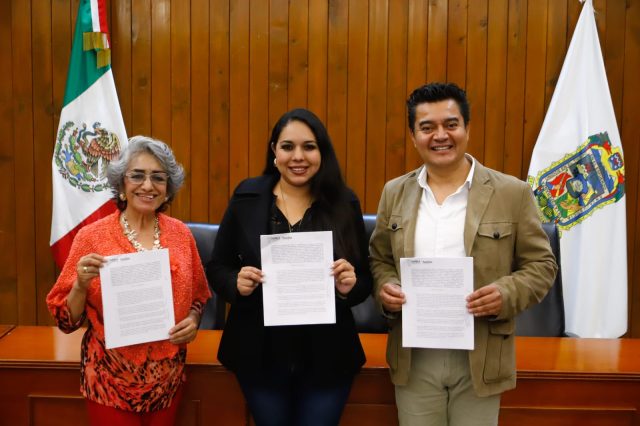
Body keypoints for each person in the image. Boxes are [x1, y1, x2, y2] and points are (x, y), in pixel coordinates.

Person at [369, 82, 557, 426]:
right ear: (413, 136)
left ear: (467, 129)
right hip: (414, 357)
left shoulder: (511, 193)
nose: (440, 135)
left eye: (450, 124)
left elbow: (542, 265)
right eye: (427, 127)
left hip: (481, 354)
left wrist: (505, 294)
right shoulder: (394, 193)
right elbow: (379, 259)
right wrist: (386, 288)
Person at [207, 108, 373, 426]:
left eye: (309, 146)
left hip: (327, 354)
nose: (298, 156)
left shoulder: (344, 202)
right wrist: (235, 283)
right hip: (259, 351)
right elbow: (218, 266)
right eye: (287, 146)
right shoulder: (247, 196)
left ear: (322, 152)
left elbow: (365, 277)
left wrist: (350, 286)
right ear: (274, 152)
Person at [46, 136, 211, 426]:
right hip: (109, 377)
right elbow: (66, 321)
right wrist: (80, 285)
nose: (148, 186)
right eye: (137, 175)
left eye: (158, 178)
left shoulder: (181, 235)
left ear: (167, 188)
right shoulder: (91, 237)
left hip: (167, 379)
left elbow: (198, 296)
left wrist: (194, 320)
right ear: (121, 184)